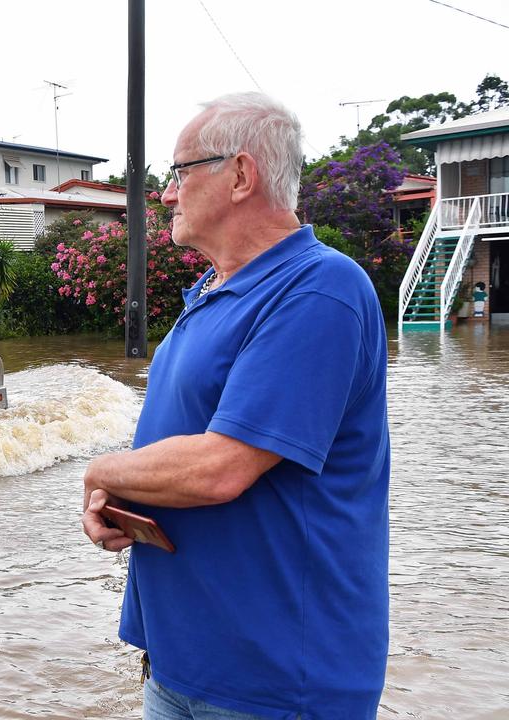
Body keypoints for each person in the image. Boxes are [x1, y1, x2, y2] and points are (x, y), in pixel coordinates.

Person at [81, 92, 390, 719]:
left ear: (241, 175)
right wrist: (118, 503)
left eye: (181, 171)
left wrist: (102, 473)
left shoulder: (318, 290)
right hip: (181, 661)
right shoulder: (213, 293)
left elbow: (221, 468)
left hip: (276, 677)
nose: (166, 192)